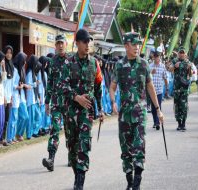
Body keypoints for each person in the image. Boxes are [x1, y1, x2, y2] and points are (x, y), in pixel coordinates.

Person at [109, 32, 164, 190]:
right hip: (124, 115)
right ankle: (129, 181)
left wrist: (158, 110)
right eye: (134, 44)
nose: (137, 47)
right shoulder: (119, 65)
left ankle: (137, 183)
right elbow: (112, 87)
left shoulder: (144, 64)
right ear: (126, 46)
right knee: (126, 150)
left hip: (140, 113)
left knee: (139, 146)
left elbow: (150, 87)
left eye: (139, 45)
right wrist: (113, 102)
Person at [62, 29, 103, 190]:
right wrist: (76, 97)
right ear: (77, 43)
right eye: (84, 41)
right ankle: (76, 174)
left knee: (83, 145)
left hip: (87, 112)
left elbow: (99, 86)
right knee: (72, 147)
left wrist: (99, 109)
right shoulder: (68, 62)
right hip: (71, 112)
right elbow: (62, 87)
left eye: (89, 42)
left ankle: (80, 182)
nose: (87, 45)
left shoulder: (95, 63)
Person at [42, 34, 69, 172]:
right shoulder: (52, 62)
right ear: (55, 45)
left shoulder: (72, 60)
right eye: (57, 43)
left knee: (70, 131)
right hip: (56, 104)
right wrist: (47, 102)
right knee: (54, 129)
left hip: (70, 103)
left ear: (66, 44)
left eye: (62, 43)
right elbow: (50, 83)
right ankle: (51, 159)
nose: (60, 45)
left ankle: (72, 155)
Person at [169, 46, 193, 131]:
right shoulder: (175, 61)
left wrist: (189, 68)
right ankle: (179, 123)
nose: (182, 54)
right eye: (180, 53)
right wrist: (175, 66)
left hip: (184, 88)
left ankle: (184, 124)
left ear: (185, 54)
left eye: (183, 53)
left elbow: (190, 75)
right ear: (178, 54)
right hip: (176, 88)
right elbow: (170, 69)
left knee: (184, 106)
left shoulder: (188, 62)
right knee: (177, 106)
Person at [149, 51, 168, 130]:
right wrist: (150, 72)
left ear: (160, 57)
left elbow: (165, 77)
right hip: (151, 90)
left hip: (159, 90)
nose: (157, 58)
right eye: (155, 57)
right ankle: (155, 121)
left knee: (158, 106)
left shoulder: (162, 66)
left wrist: (167, 87)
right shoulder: (150, 66)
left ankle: (157, 123)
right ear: (153, 57)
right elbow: (146, 77)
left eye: (158, 57)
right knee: (153, 108)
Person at [14, 52, 29, 141]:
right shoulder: (15, 70)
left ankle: (19, 134)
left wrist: (24, 86)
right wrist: (21, 86)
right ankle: (18, 134)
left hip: (22, 96)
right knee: (23, 116)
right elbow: (13, 83)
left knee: (25, 117)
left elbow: (23, 83)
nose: (25, 62)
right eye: (24, 60)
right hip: (16, 96)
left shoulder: (22, 69)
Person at [25, 55, 41, 139]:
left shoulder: (33, 72)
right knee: (30, 118)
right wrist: (35, 83)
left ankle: (34, 132)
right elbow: (27, 84)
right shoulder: (30, 72)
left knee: (37, 115)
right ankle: (29, 134)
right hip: (30, 99)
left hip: (34, 99)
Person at [1, 45, 14, 146]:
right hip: (3, 97)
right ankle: (1, 139)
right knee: (3, 119)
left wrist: (11, 97)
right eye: (7, 52)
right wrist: (5, 97)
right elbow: (3, 83)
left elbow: (11, 84)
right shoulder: (2, 65)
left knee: (7, 119)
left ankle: (3, 138)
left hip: (9, 97)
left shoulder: (11, 65)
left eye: (10, 52)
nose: (8, 54)